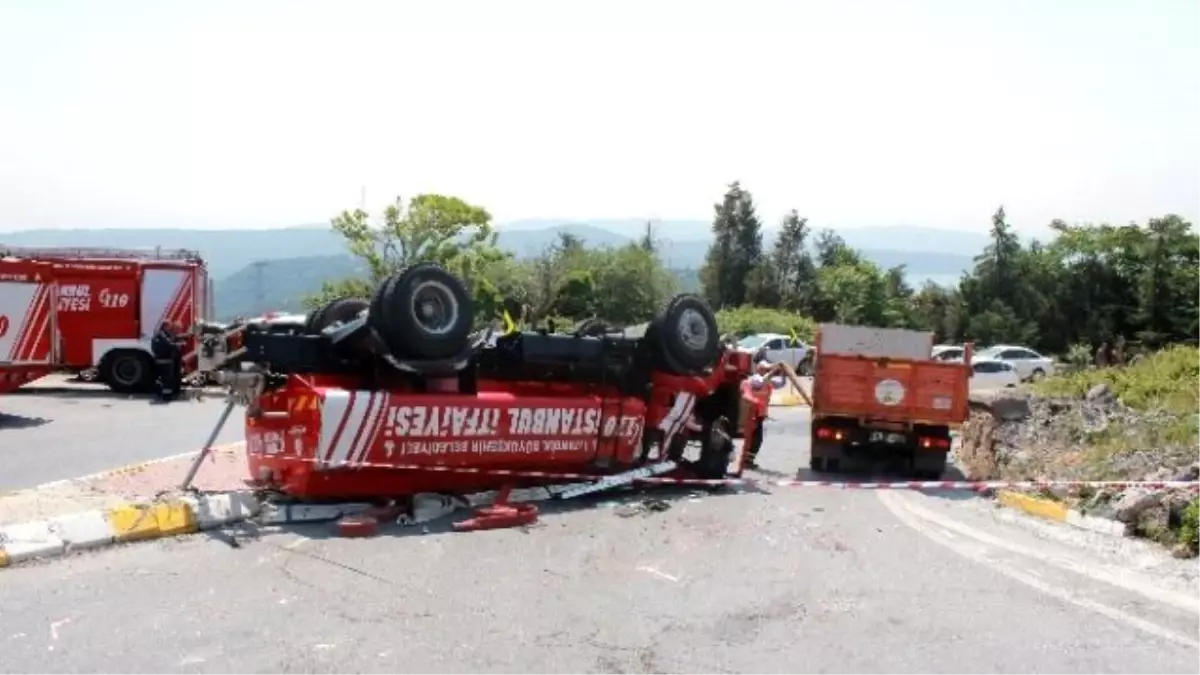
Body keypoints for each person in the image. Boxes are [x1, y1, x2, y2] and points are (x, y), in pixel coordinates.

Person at [151, 321, 184, 401]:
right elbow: (168, 343)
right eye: (170, 326)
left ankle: (160, 393)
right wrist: (178, 345)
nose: (171, 328)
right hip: (166, 360)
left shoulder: (158, 334)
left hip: (160, 359)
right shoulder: (162, 334)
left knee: (162, 378)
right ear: (165, 326)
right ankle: (166, 396)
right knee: (167, 379)